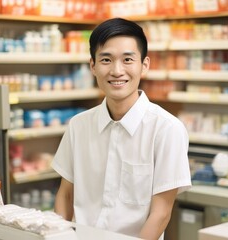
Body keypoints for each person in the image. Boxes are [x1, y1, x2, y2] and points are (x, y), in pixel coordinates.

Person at [51, 17, 191, 240]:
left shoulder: (166, 129)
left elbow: (161, 213)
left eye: (127, 60)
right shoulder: (79, 125)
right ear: (93, 66)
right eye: (106, 60)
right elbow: (66, 195)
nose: (117, 71)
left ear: (144, 65)